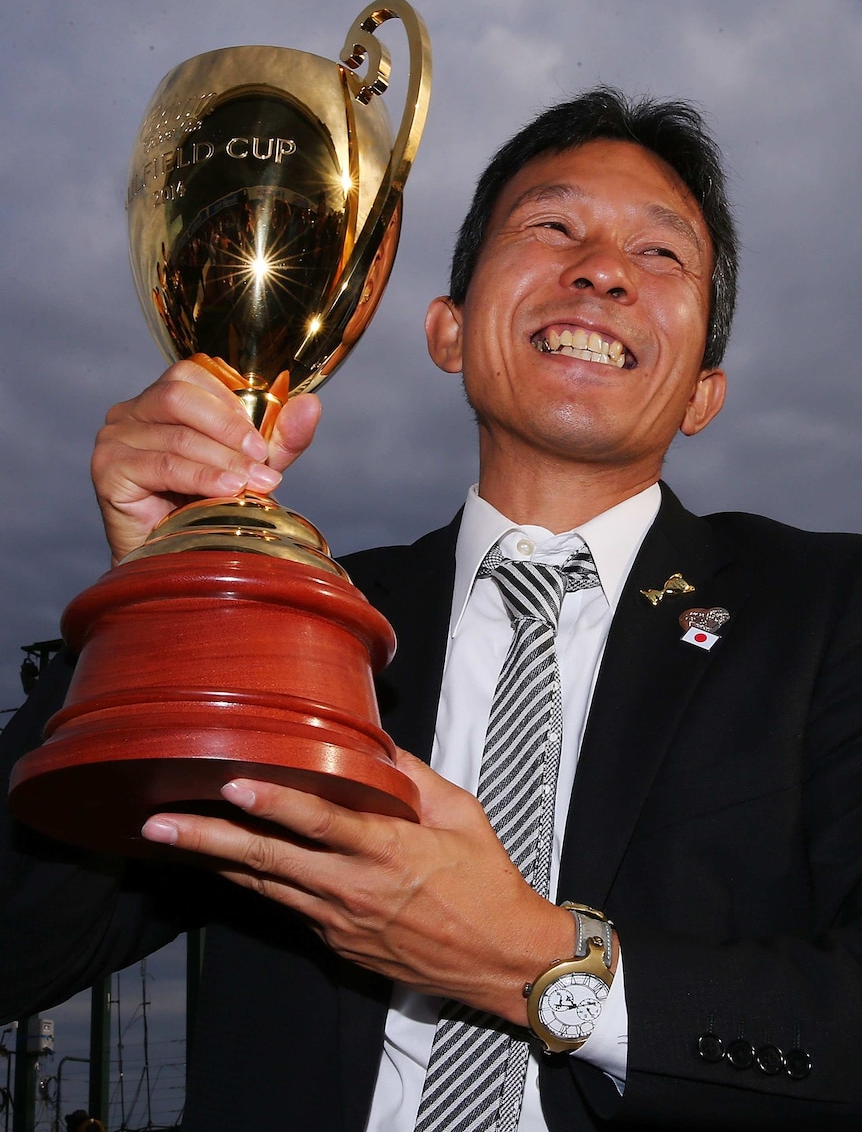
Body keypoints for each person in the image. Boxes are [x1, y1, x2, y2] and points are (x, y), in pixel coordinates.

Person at [2, 86, 862, 1131]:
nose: (599, 269)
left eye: (661, 254)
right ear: (444, 331)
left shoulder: (828, 611)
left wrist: (533, 962)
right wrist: (151, 622)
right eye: (551, 226)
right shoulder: (298, 621)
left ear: (702, 394)